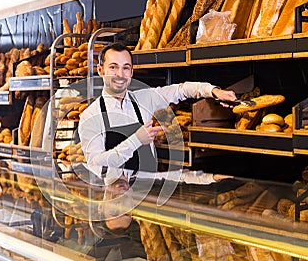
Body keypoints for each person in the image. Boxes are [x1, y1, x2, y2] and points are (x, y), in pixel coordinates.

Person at [79, 42, 236, 178]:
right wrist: (136, 140)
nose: (120, 74)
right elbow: (97, 166)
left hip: (148, 198)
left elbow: (182, 90)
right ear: (100, 71)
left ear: (131, 72)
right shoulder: (91, 116)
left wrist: (215, 91)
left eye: (125, 68)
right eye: (113, 67)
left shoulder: (144, 99)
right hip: (115, 205)